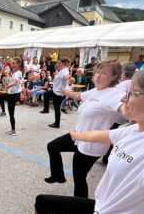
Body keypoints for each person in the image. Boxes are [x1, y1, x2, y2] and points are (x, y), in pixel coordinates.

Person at [13, 63, 144, 214]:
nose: (124, 98)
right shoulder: (136, 130)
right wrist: (76, 136)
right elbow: (102, 135)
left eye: (132, 93)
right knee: (43, 202)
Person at [45, 60, 124, 199]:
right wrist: (65, 92)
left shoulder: (115, 94)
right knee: (53, 146)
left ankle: (79, 210)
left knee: (79, 178)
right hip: (78, 136)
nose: (98, 75)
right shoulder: (97, 91)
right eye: (98, 71)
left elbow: (126, 110)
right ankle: (58, 176)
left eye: (104, 73)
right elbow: (79, 96)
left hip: (92, 144)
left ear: (114, 77)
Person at [102, 61, 136, 164]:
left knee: (110, 134)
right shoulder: (134, 83)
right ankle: (106, 156)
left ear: (124, 74)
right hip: (124, 116)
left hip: (117, 115)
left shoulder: (121, 86)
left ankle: (106, 156)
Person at [40, 57, 71, 128]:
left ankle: (57, 124)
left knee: (57, 108)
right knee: (46, 94)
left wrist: (70, 75)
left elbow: (66, 77)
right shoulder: (62, 70)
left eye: (59, 63)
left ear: (64, 63)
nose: (58, 64)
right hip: (56, 91)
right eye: (57, 63)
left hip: (59, 93)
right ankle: (46, 109)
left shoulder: (65, 71)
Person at [0, 57, 24, 136]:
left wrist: (10, 85)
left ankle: (13, 130)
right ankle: (3, 112)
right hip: (13, 94)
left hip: (13, 95)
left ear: (19, 64)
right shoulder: (18, 72)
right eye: (12, 63)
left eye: (14, 63)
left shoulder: (17, 73)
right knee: (0, 97)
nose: (12, 65)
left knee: (11, 113)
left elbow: (15, 81)